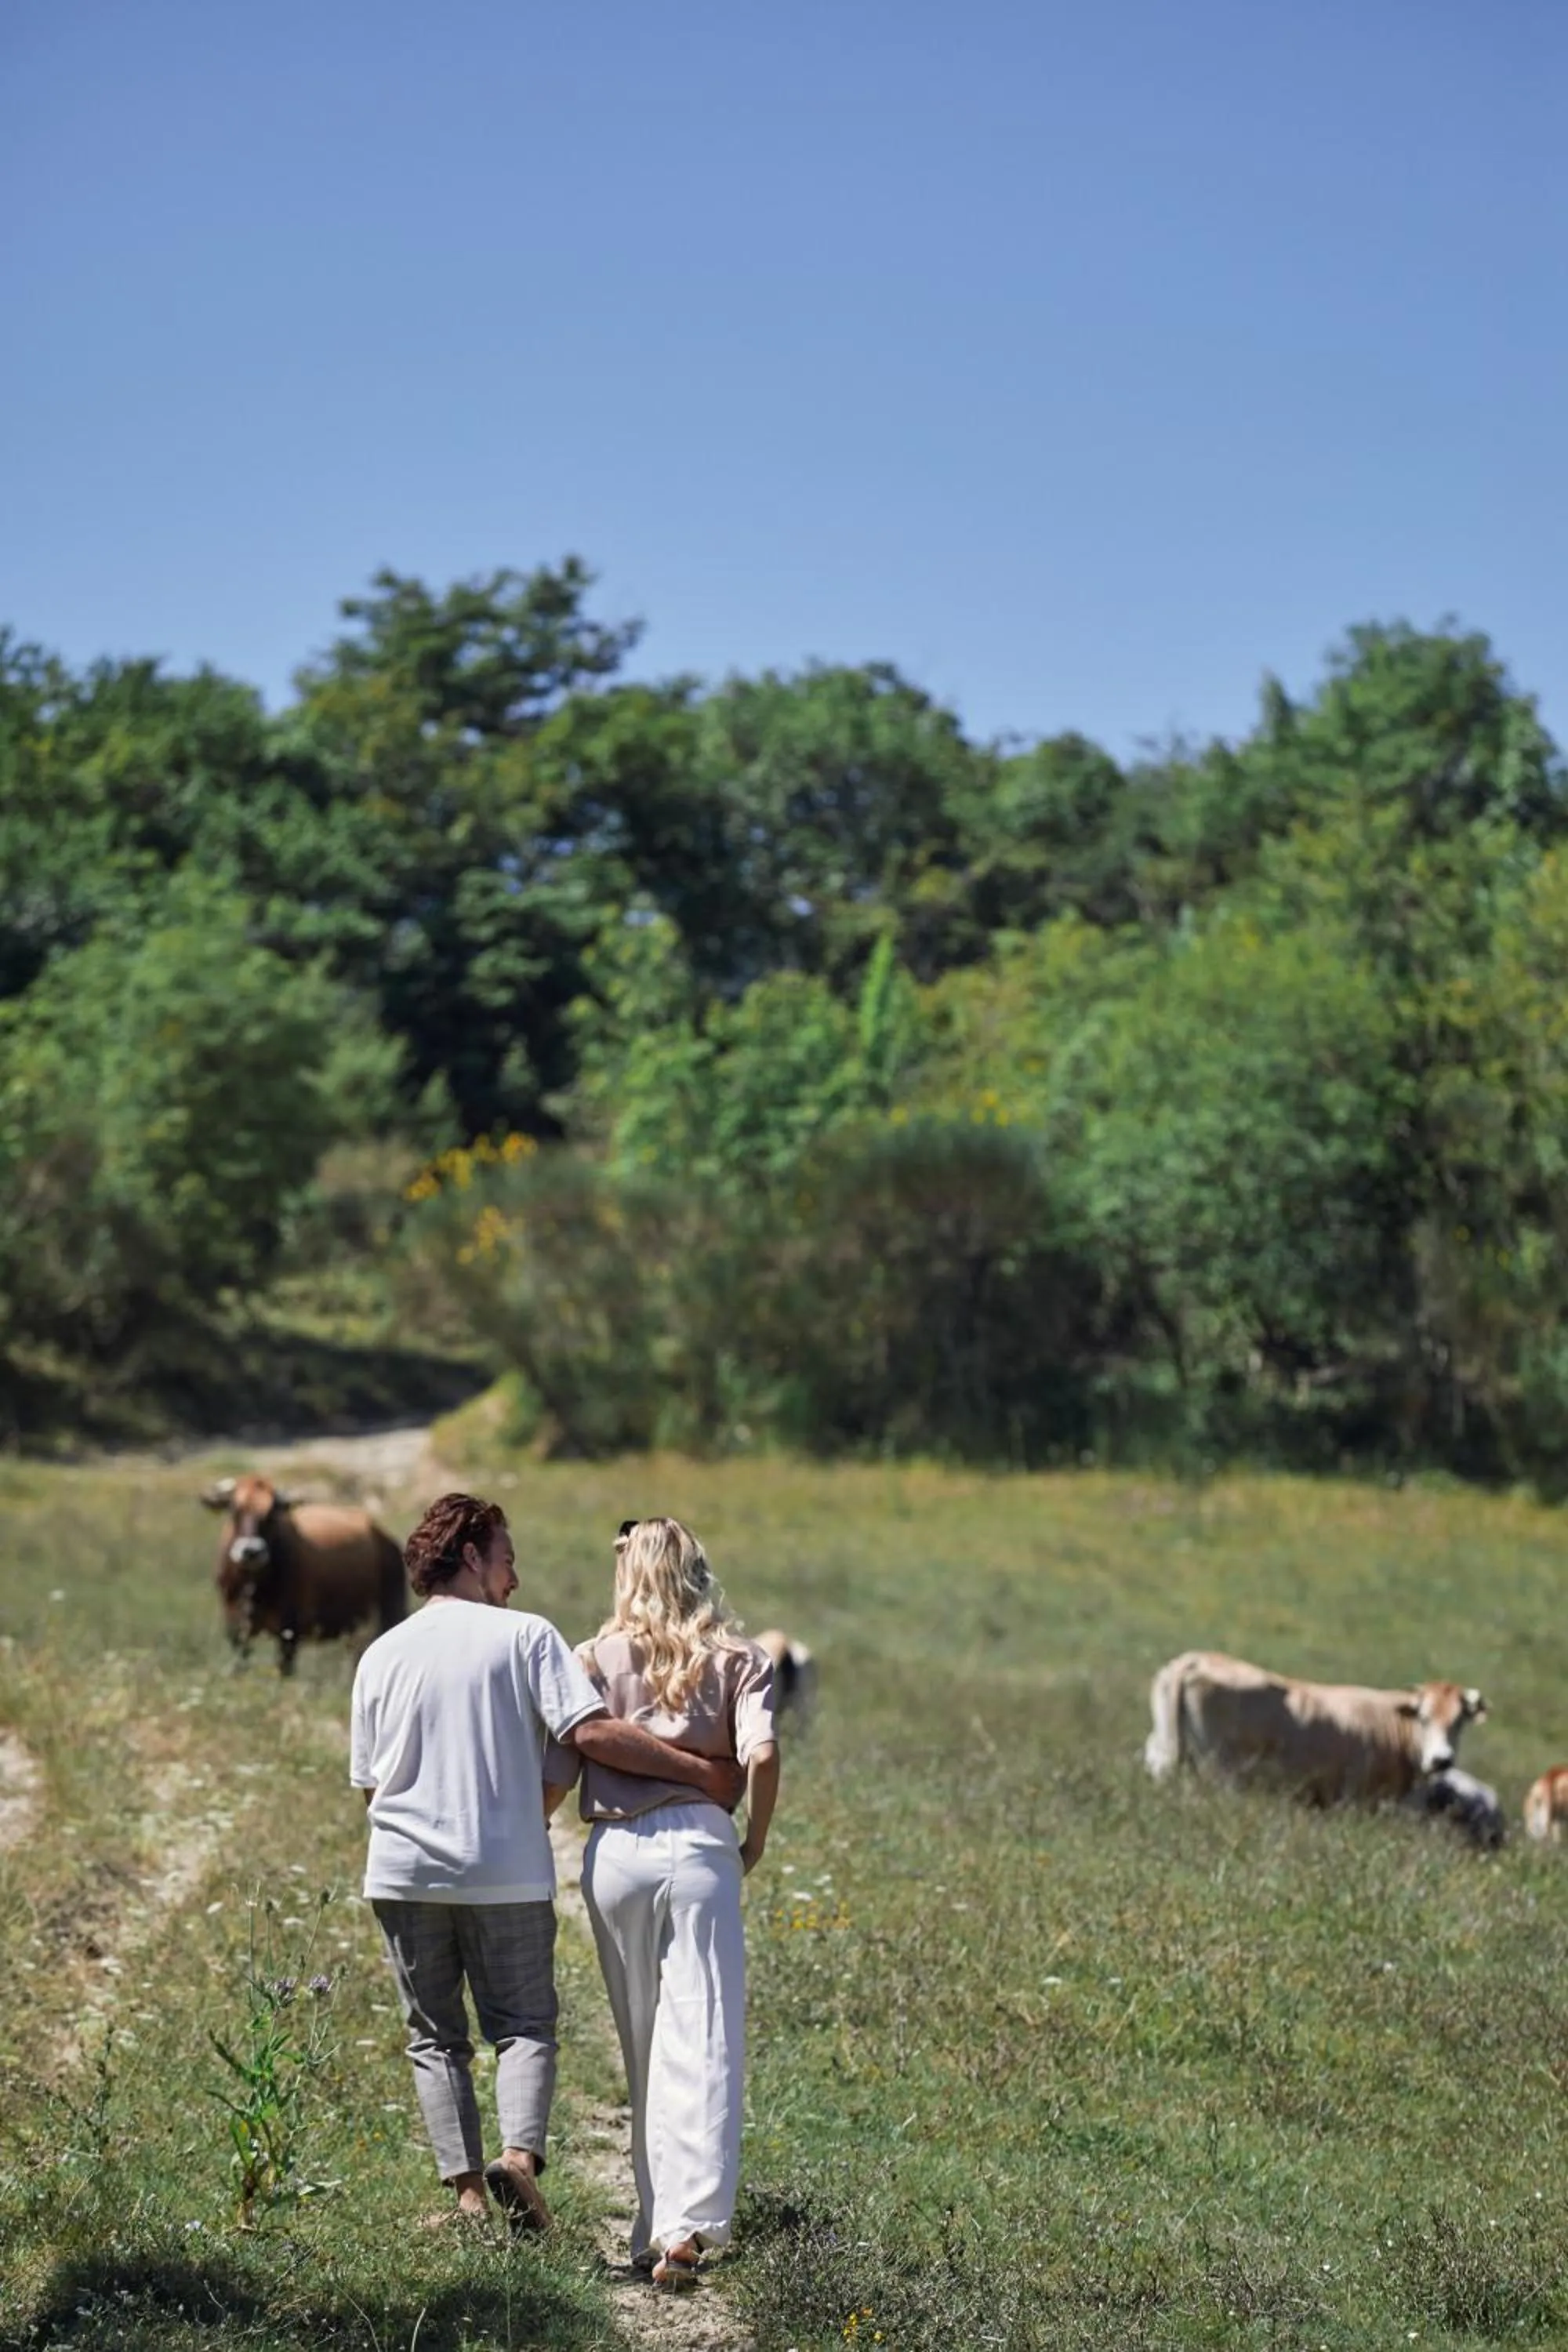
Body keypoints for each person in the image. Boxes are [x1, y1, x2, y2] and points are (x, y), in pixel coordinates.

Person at [349, 1492, 745, 2234]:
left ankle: (469, 2198)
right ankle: (519, 2164)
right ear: (470, 1556)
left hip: (401, 1871)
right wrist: (700, 1775)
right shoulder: (526, 1637)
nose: (515, 1579)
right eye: (507, 1559)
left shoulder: (380, 1655)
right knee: (524, 2025)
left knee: (435, 2037)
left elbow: (374, 1784)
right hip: (504, 1871)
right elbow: (590, 1733)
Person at [547, 1516, 781, 2289]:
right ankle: (688, 2224)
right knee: (703, 2031)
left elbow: (565, 1762)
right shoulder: (739, 1659)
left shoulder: (588, 1658)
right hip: (700, 1848)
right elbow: (763, 1753)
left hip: (615, 1854)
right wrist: (753, 1840)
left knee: (641, 2041)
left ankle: (651, 2223)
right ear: (697, 1572)